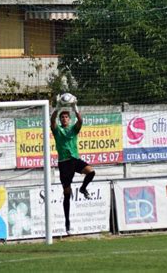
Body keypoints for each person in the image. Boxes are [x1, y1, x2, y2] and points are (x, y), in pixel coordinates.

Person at [51, 94, 95, 235]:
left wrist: (75, 106)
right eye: (62, 117)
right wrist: (57, 108)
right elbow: (52, 120)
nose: (64, 119)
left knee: (91, 171)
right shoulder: (57, 130)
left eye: (66, 117)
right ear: (60, 120)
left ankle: (83, 189)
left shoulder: (73, 130)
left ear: (69, 120)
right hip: (64, 163)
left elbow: (80, 120)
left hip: (75, 160)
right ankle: (67, 222)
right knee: (67, 194)